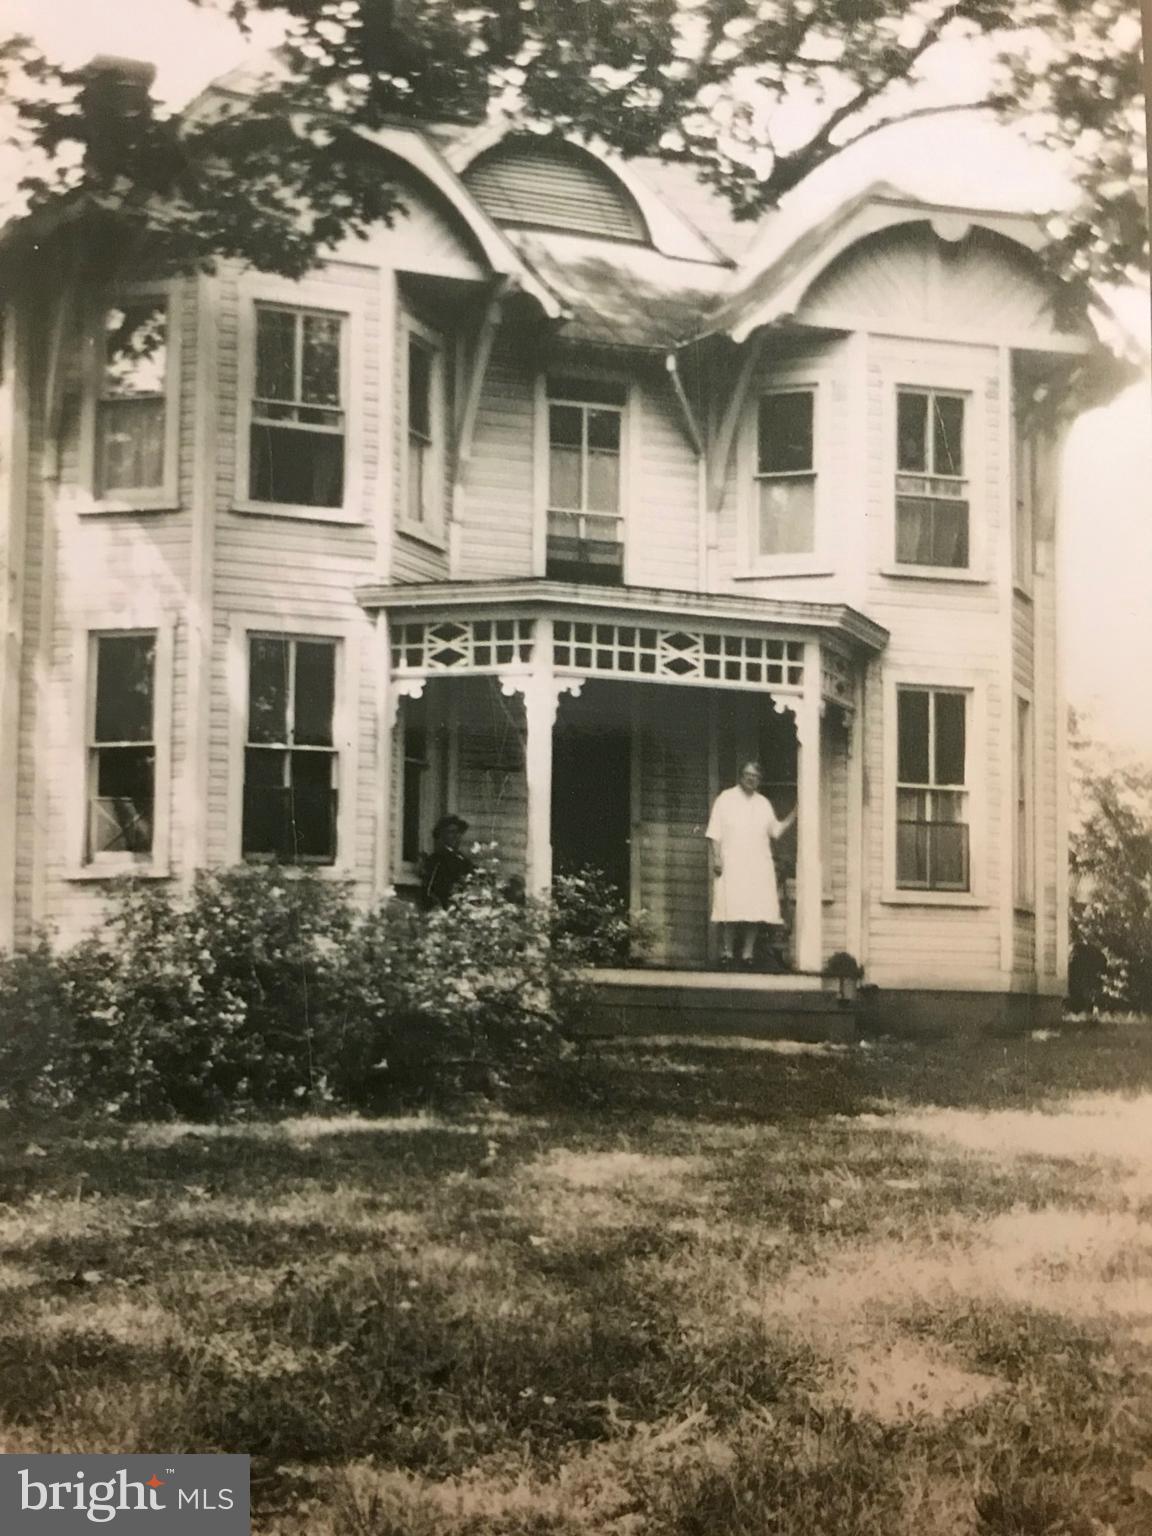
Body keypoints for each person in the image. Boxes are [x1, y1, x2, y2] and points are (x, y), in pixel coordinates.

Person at [706, 760, 796, 969]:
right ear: (740, 776)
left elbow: (776, 831)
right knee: (730, 909)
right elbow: (714, 833)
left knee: (754, 911)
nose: (751, 779)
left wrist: (794, 814)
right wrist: (717, 858)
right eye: (747, 775)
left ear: (759, 780)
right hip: (733, 862)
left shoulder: (763, 803)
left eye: (755, 776)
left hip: (757, 864)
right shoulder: (725, 799)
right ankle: (726, 953)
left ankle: (747, 954)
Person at [420, 814, 475, 910]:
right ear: (442, 835)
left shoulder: (463, 859)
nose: (456, 836)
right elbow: (429, 891)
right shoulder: (437, 859)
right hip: (445, 908)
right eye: (451, 832)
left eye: (458, 833)